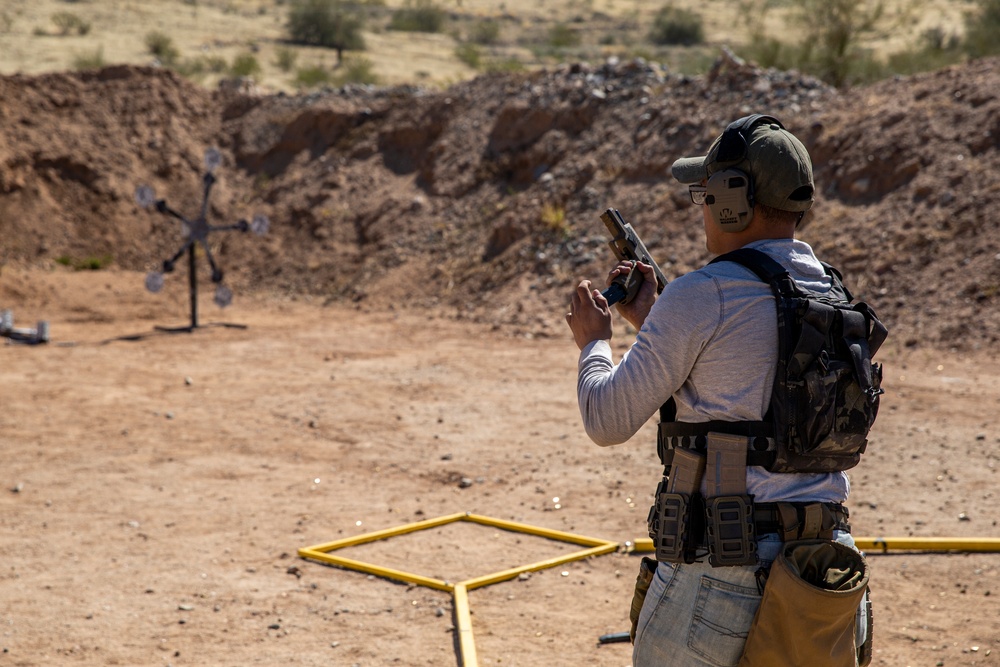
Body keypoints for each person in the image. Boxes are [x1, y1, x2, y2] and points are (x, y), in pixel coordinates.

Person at [565, 114, 873, 666]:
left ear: (734, 198)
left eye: (705, 192)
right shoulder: (831, 292)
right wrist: (659, 321)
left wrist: (595, 343)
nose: (701, 205)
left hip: (723, 574)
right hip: (823, 567)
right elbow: (752, 380)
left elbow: (606, 420)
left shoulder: (703, 294)